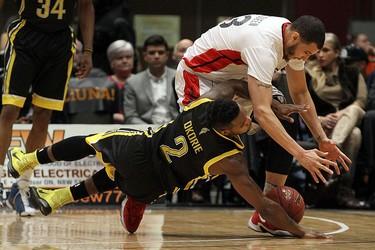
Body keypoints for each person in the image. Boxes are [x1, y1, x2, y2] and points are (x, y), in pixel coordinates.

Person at [7, 86, 333, 239]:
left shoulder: (205, 105)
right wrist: (300, 232)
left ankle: (27, 160)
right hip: (152, 186)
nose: (248, 123)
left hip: (139, 152)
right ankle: (55, 196)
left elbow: (231, 90)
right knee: (119, 177)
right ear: (224, 129)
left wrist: (266, 107)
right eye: (243, 123)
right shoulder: (231, 161)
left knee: (92, 143)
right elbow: (264, 206)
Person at [174, 14, 351, 227]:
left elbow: (301, 93)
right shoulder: (264, 46)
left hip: (236, 78)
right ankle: (145, 192)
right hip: (200, 77)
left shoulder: (290, 39)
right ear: (295, 37)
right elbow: (262, 112)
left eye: (310, 55)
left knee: (287, 115)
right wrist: (301, 154)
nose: (305, 59)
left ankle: (268, 210)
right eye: (306, 53)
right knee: (203, 148)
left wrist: (321, 139)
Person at [0, 0, 94, 215]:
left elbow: (86, 5)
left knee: (43, 115)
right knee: (10, 110)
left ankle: (21, 187)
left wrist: (87, 50)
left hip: (60, 42)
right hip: (26, 36)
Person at [303, 33, 367, 208]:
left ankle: (334, 147)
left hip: (348, 118)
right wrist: (319, 119)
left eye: (326, 50)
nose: (320, 55)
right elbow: (300, 102)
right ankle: (344, 190)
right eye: (318, 51)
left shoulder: (352, 72)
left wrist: (341, 115)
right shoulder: (308, 71)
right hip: (321, 127)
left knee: (355, 109)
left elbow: (361, 101)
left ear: (337, 52)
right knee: (355, 135)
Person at [124, 34, 179, 124]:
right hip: (145, 132)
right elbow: (130, 116)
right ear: (145, 56)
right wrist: (150, 132)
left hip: (175, 130)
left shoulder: (178, 77)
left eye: (160, 52)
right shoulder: (132, 83)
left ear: (167, 55)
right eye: (152, 53)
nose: (156, 56)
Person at [106, 40, 135, 123]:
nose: (125, 61)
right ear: (111, 61)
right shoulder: (104, 83)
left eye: (128, 57)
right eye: (119, 58)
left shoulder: (141, 81)